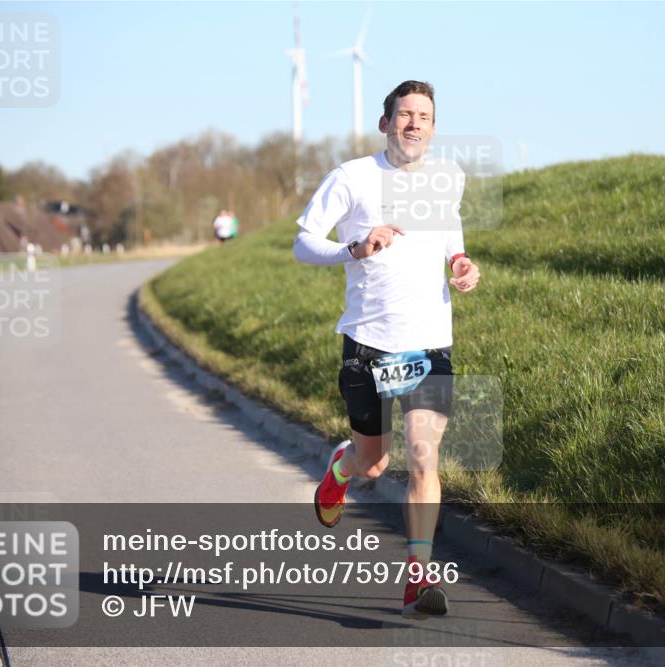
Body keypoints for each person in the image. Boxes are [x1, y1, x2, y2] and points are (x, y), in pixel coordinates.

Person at [292, 80, 481, 618]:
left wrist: (460, 262)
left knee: (424, 456)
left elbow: (450, 231)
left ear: (434, 127)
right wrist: (354, 247)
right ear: (385, 123)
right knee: (373, 464)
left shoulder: (449, 177)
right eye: (405, 114)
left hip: (429, 342)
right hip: (368, 345)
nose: (414, 123)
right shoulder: (351, 177)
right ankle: (340, 472)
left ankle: (418, 578)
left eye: (424, 115)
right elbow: (303, 240)